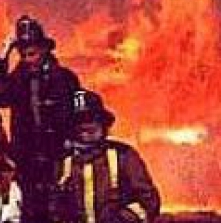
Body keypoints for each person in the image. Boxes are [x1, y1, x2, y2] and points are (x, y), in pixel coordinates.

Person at [0, 15, 81, 222]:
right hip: (26, 164)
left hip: (58, 161)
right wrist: (2, 56)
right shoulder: (16, 80)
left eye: (32, 53)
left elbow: (78, 118)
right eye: (23, 54)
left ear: (44, 49)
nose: (28, 59)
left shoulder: (65, 79)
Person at [49, 90, 161, 223]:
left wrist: (123, 219)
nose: (85, 126)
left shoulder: (123, 156)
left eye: (91, 120)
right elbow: (55, 208)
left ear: (103, 124)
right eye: (78, 121)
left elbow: (148, 200)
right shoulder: (63, 162)